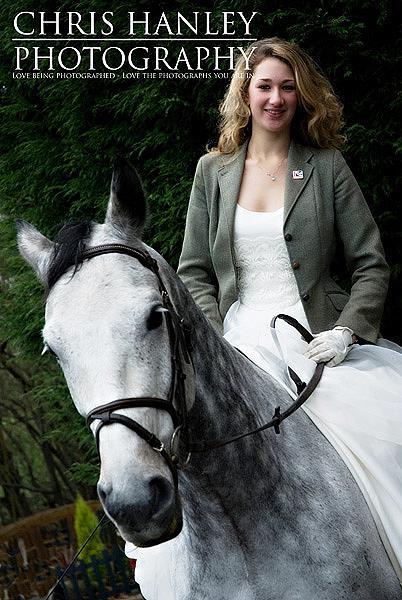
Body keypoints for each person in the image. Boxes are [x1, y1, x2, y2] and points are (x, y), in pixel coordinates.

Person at [177, 37, 402, 581]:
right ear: (245, 94)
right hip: (239, 347)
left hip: (320, 343)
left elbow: (372, 264)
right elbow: (193, 271)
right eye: (264, 86)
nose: (275, 98)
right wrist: (215, 339)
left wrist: (348, 332)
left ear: (302, 96)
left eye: (287, 87)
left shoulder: (327, 167)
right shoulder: (213, 171)